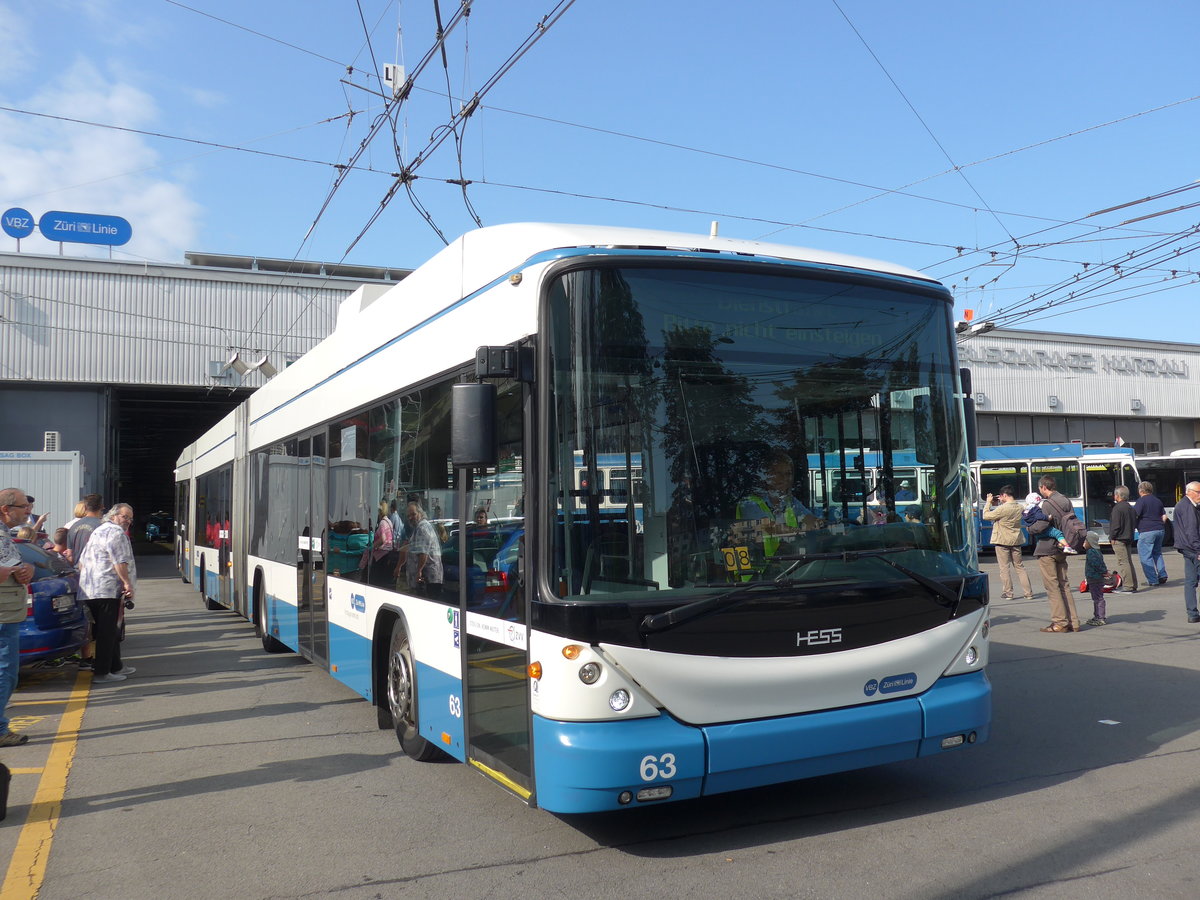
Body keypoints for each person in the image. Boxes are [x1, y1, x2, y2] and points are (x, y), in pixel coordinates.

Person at [77, 504, 137, 684]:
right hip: (107, 589)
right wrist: (127, 583)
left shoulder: (98, 531)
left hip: (90, 588)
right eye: (125, 517)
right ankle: (102, 672)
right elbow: (119, 560)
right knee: (107, 631)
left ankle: (115, 665)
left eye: (130, 519)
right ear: (113, 516)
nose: (128, 521)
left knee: (109, 629)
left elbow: (82, 561)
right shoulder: (116, 533)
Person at [0, 488, 36, 745]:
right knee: (5, 672)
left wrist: (26, 569)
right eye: (23, 506)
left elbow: (15, 564)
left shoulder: (5, 534)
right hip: (3, 615)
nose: (27, 510)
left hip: (8, 612)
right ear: (6, 509)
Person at [736, 449, 819, 560]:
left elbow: (811, 521)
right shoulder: (749, 503)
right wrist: (800, 534)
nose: (784, 478)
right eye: (778, 473)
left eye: (788, 473)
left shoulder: (789, 501)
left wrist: (831, 528)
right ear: (766, 476)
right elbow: (769, 528)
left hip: (787, 568)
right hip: (756, 572)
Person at [1029, 475, 1082, 633]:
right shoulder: (1065, 500)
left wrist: (1029, 529)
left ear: (1044, 487)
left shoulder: (1047, 504)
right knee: (1064, 584)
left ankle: (1060, 622)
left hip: (1047, 548)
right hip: (1062, 546)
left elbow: (1041, 526)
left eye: (1040, 488)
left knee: (1052, 587)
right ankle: (1074, 622)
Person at [982, 485, 1034, 602]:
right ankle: (1028, 593)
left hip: (1002, 541)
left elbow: (986, 515)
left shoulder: (1002, 509)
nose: (999, 498)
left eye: (1000, 496)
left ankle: (1008, 593)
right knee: (1020, 567)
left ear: (1004, 495)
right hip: (1016, 540)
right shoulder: (1019, 507)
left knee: (1004, 568)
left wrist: (988, 503)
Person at [396, 502, 443, 597]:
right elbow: (412, 547)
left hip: (428, 579)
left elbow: (423, 553)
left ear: (420, 513)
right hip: (427, 579)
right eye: (408, 516)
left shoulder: (422, 528)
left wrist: (419, 571)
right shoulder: (419, 527)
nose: (410, 518)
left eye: (413, 514)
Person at [1173, 480, 1200, 624]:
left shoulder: (1186, 505)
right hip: (1192, 548)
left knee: (1190, 582)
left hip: (1187, 548)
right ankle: (1192, 613)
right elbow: (1191, 531)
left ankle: (1192, 613)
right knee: (1191, 581)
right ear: (1189, 492)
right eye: (1198, 492)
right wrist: (1198, 550)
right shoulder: (1187, 507)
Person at [1132, 481, 1168, 586]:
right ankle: (1162, 574)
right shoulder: (1157, 501)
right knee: (1157, 553)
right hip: (1160, 529)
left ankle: (1152, 580)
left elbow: (1135, 515)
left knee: (1145, 556)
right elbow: (1164, 516)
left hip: (1147, 530)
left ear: (1140, 490)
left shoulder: (1141, 501)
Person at [1108, 485, 1138, 594]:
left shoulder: (1117, 508)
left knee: (1123, 562)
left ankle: (1128, 586)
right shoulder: (1130, 507)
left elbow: (1115, 526)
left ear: (1118, 495)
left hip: (1119, 539)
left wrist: (1111, 537)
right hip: (1129, 537)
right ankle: (1133, 584)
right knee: (1128, 562)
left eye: (1115, 494)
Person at [67, 494, 105, 565]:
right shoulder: (102, 526)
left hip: (77, 571)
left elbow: (69, 555)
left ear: (84, 507)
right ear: (101, 507)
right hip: (94, 570)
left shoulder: (73, 526)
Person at [1083, 531, 1109, 627]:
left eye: (1085, 541)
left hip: (1095, 578)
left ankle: (1100, 617)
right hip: (1095, 578)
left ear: (1090, 542)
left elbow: (1097, 564)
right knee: (1096, 598)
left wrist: (1104, 571)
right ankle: (1097, 616)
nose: (1083, 544)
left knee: (1098, 598)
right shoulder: (1096, 551)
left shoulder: (1091, 552)